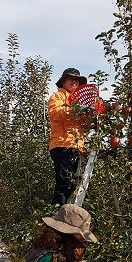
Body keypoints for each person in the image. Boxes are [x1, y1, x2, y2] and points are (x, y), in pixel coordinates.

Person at [15, 204, 98, 262]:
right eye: (80, 236)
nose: (82, 240)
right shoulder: (51, 261)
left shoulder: (43, 249)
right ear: (67, 234)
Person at [48, 68, 92, 206]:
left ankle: (68, 213)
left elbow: (85, 126)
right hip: (62, 145)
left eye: (76, 79)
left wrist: (93, 117)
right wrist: (74, 109)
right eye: (70, 78)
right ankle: (57, 214)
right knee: (64, 182)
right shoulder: (59, 96)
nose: (74, 81)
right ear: (63, 81)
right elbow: (55, 113)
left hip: (77, 147)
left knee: (76, 183)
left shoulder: (80, 101)